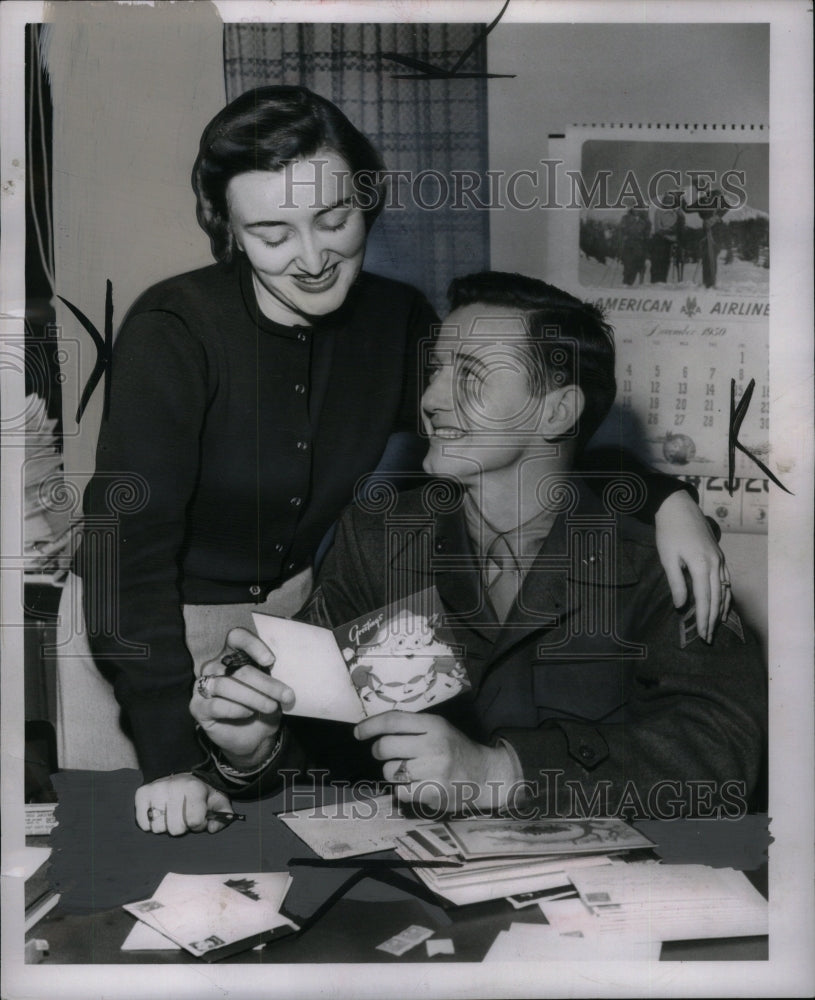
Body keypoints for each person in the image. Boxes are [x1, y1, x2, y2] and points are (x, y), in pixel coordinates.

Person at [66, 87, 726, 826]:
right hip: (150, 625)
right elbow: (125, 548)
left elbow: (514, 425)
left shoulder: (397, 318)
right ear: (228, 230)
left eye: (333, 219)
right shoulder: (174, 329)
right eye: (273, 234)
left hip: (298, 610)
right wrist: (171, 759)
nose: (313, 258)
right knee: (162, 837)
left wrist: (661, 495)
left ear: (367, 200)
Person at [145, 272, 765, 835]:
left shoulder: (663, 557)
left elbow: (720, 755)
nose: (433, 399)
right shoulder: (381, 537)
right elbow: (328, 735)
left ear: (556, 410)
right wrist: (256, 745)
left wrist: (501, 774)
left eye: (470, 375)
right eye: (437, 370)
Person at [650, 191, 685, 283]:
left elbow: (680, 226)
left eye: (670, 201)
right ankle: (656, 280)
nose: (669, 202)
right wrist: (667, 231)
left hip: (673, 240)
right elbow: (658, 228)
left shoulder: (676, 212)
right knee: (658, 261)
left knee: (667, 262)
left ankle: (664, 280)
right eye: (667, 200)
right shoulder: (659, 212)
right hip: (661, 239)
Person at [618, 208, 650, 286]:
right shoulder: (625, 218)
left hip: (639, 247)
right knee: (628, 266)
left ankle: (629, 284)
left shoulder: (644, 221)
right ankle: (626, 283)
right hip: (628, 246)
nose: (638, 210)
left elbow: (646, 235)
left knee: (635, 266)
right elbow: (620, 231)